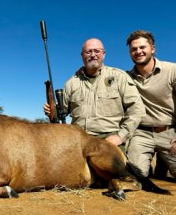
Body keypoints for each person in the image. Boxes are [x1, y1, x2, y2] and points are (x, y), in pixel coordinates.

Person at [44, 38, 145, 152]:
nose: (93, 55)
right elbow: (62, 112)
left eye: (97, 51)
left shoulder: (120, 77)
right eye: (88, 52)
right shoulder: (71, 83)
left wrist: (120, 136)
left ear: (103, 54)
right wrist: (51, 110)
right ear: (82, 55)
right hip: (78, 139)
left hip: (109, 138)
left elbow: (137, 110)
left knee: (117, 169)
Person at [126, 30, 176, 178]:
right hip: (142, 133)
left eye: (142, 47)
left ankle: (163, 161)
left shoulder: (172, 70)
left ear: (152, 49)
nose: (138, 52)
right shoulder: (126, 77)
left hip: (169, 131)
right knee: (135, 176)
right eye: (133, 49)